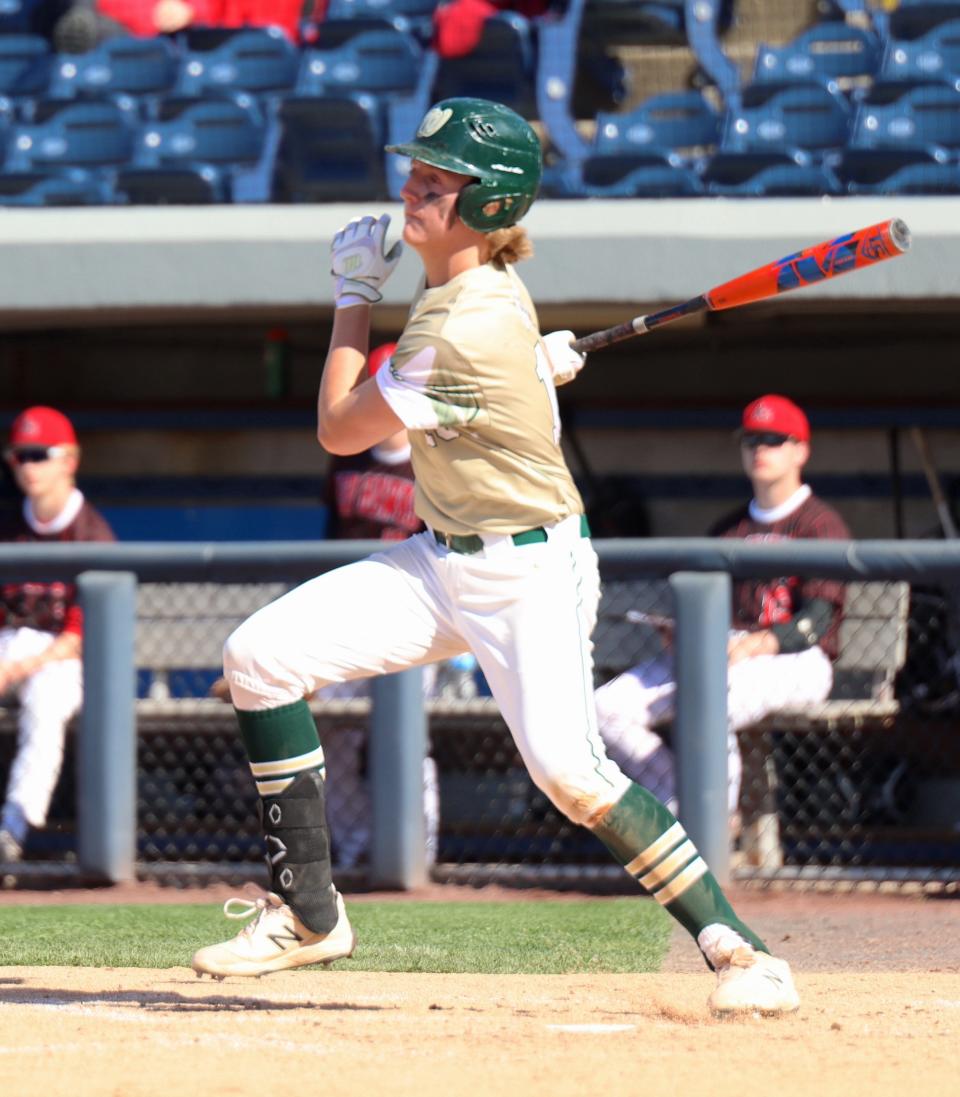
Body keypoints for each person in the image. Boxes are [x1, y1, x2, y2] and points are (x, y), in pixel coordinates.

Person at [191, 96, 799, 1016]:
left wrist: (353, 297)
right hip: (443, 558)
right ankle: (309, 913)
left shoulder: (457, 326)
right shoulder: (484, 305)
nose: (413, 189)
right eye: (418, 172)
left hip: (528, 576)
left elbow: (338, 429)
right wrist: (528, 359)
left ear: (487, 205)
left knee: (571, 773)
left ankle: (746, 954)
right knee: (259, 657)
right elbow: (491, 361)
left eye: (438, 182)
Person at [594, 394, 851, 818]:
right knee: (606, 709)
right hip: (724, 652)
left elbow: (817, 620)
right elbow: (709, 609)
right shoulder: (729, 529)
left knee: (714, 700)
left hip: (797, 659)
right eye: (751, 440)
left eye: (773, 440)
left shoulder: (820, 523)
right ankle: (682, 797)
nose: (760, 450)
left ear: (801, 450)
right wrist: (686, 634)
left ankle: (707, 828)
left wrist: (753, 646)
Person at [319, 340, 442, 870]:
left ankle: (422, 849)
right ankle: (354, 845)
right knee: (330, 736)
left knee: (407, 740)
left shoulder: (440, 460)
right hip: (351, 618)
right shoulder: (344, 458)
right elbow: (329, 542)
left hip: (419, 619)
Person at [0, 407, 116, 864]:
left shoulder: (92, 533)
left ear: (68, 459)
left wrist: (17, 666)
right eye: (19, 456)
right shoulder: (8, 527)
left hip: (63, 662)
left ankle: (11, 830)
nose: (27, 466)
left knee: (47, 702)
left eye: (38, 454)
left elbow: (78, 637)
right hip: (10, 652)